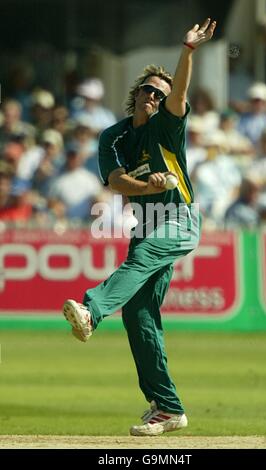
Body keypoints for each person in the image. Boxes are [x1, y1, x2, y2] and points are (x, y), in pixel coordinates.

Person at [62, 18, 216, 436]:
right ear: (136, 95)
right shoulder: (113, 137)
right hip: (146, 223)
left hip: (180, 219)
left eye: (159, 93)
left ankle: (91, 311)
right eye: (148, 89)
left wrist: (187, 52)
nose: (154, 95)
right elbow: (114, 181)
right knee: (139, 313)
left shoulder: (169, 125)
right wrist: (145, 183)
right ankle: (167, 407)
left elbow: (180, 92)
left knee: (144, 258)